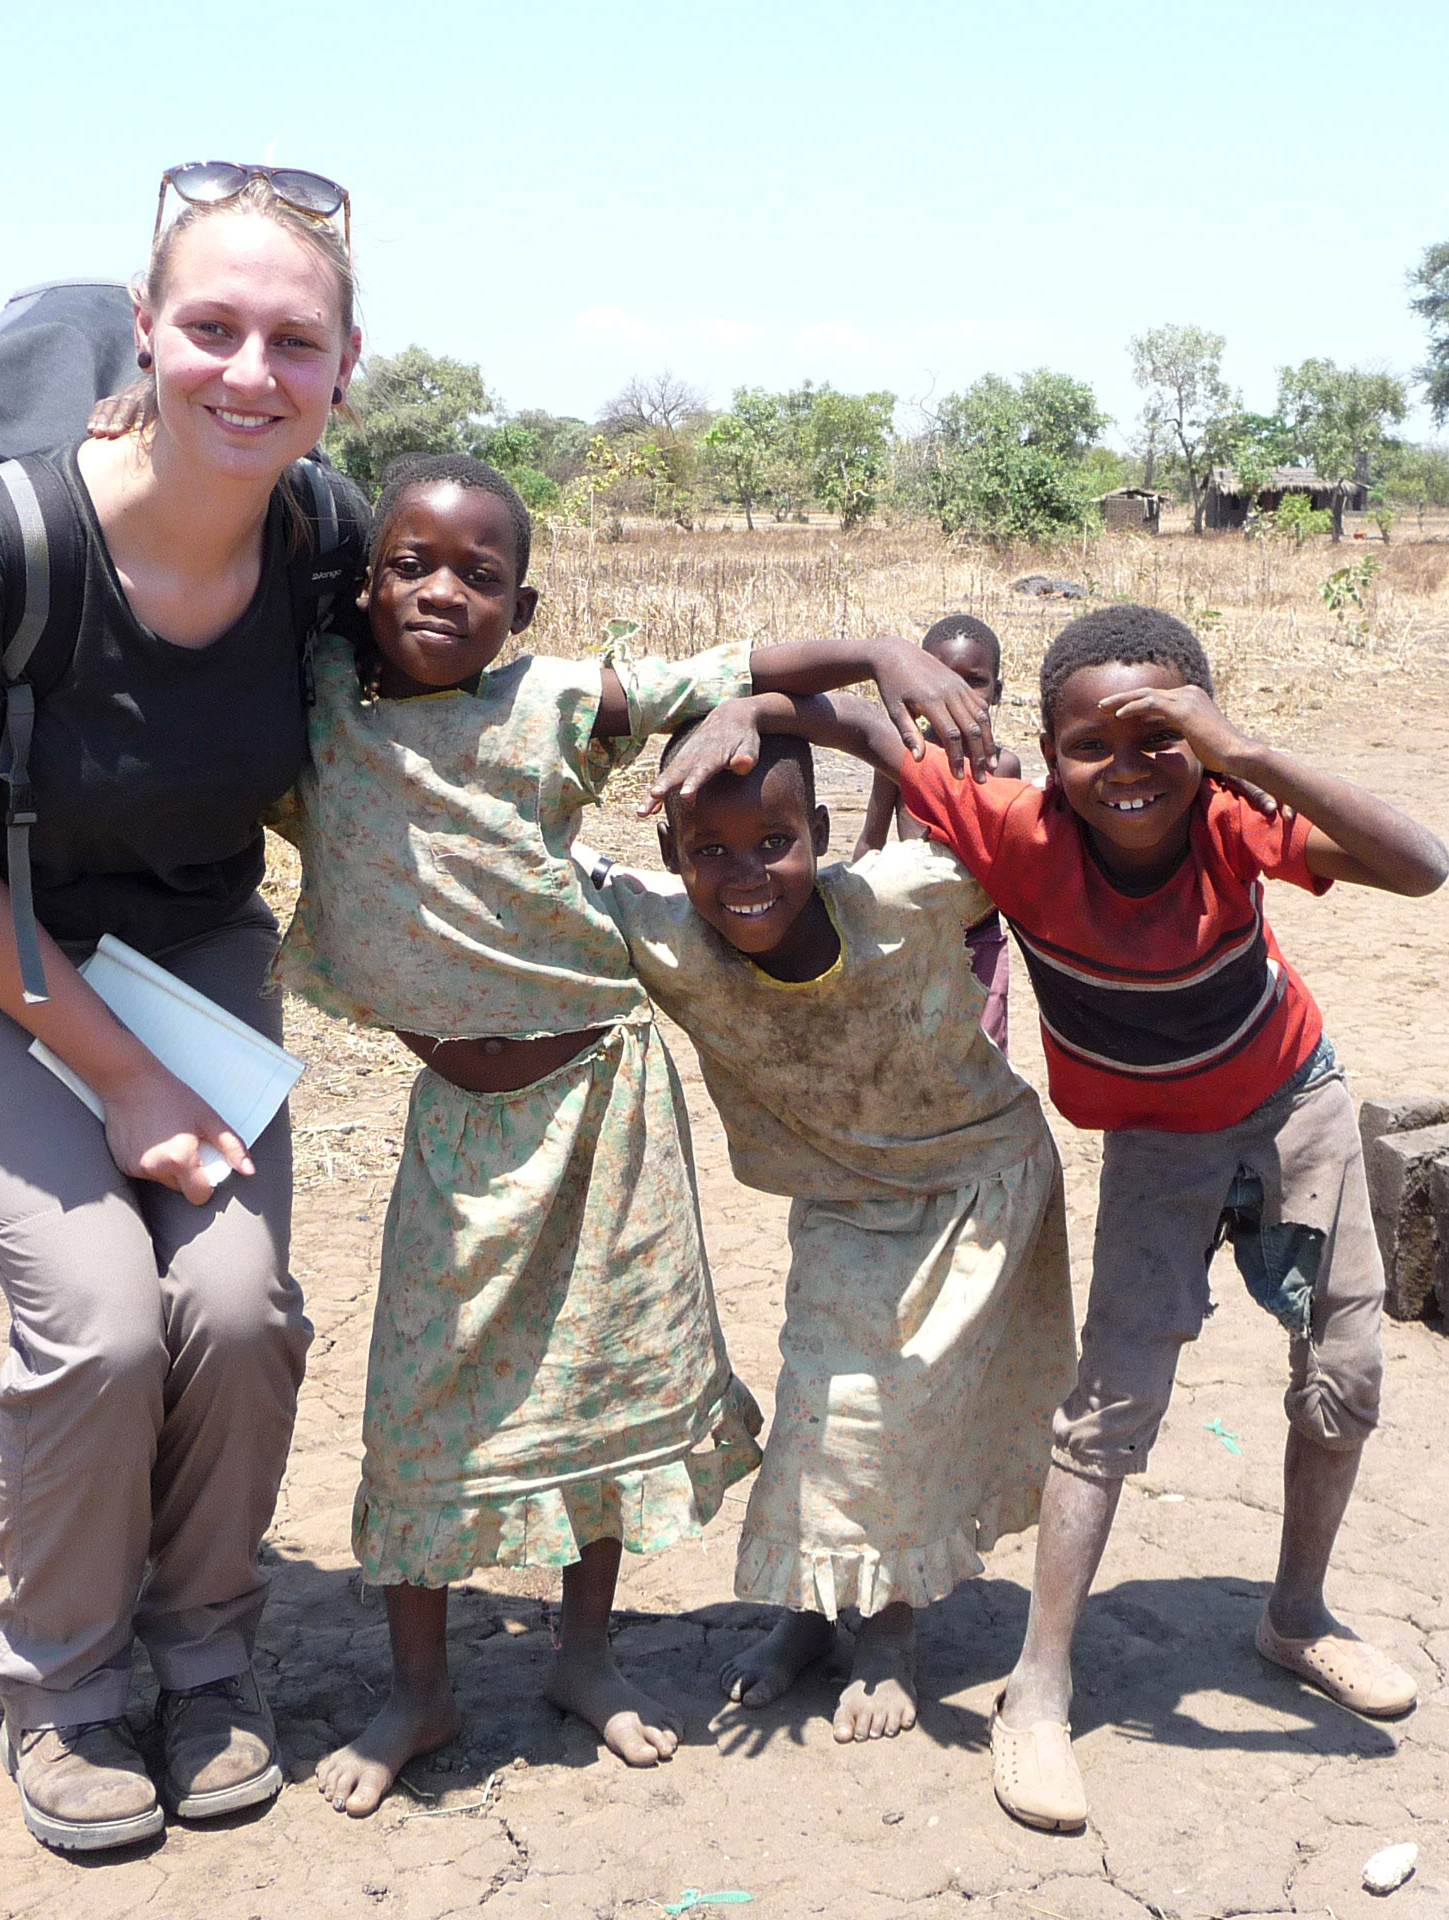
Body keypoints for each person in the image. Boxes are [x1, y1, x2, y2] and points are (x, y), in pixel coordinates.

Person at [276, 455, 995, 1817]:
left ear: (522, 602)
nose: (441, 590)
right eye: (409, 564)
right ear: (359, 591)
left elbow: (730, 670)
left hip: (603, 1101)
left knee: (606, 1387)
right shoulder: (316, 710)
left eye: (479, 575)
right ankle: (421, 1691)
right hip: (458, 1133)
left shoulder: (551, 703)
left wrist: (877, 668)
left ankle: (584, 1659)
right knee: (419, 1408)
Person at [697, 604, 1449, 1832]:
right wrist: (748, 711)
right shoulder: (1011, 829)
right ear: (1044, 756)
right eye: (1090, 744)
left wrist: (1238, 747)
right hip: (1156, 1141)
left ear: (1199, 739)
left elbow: (1421, 865)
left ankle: (1295, 1616)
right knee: (1111, 1405)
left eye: (1159, 736)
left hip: (1292, 1098)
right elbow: (832, 713)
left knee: (1344, 1372)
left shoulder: (1228, 813)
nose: (1129, 769)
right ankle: (1038, 1692)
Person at [0, 166, 366, 1851]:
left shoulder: (324, 542)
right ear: (146, 334)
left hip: (191, 947)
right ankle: (65, 1687)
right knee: (101, 1311)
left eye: (293, 341)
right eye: (210, 328)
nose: (248, 372)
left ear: (345, 368)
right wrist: (126, 1083)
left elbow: (460, 725)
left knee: (230, 1302)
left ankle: (207, 1659)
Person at [588, 723, 1074, 1744]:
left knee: (897, 1416)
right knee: (828, 1402)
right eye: (707, 849)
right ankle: (810, 1615)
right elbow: (534, 848)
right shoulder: (663, 933)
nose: (744, 872)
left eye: (773, 840)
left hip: (973, 1185)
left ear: (819, 830)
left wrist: (804, 697)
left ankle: (888, 1635)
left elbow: (1008, 805)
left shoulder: (900, 897)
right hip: (843, 1200)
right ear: (672, 855)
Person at [854, 614, 1023, 1047]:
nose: (956, 692)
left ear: (998, 692)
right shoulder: (901, 758)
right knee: (908, 1049)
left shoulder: (1003, 767)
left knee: (983, 1051)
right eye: (940, 677)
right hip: (909, 933)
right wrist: (855, 923)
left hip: (979, 937)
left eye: (976, 680)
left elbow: (1011, 862)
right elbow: (871, 840)